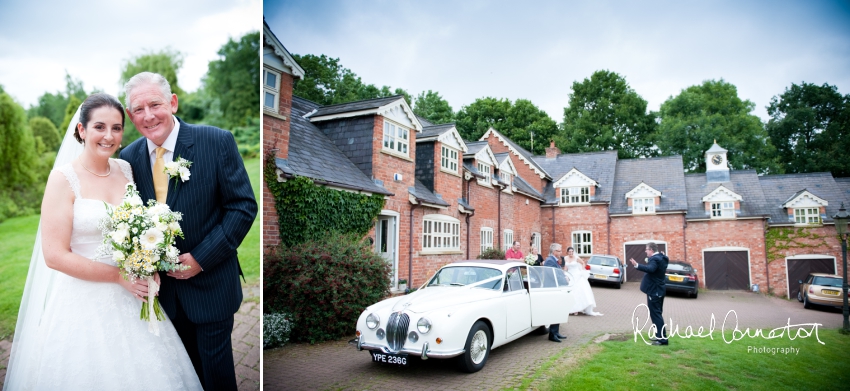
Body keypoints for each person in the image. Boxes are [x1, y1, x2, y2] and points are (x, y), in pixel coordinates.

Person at [4, 94, 202, 389]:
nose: (109, 136)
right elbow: (54, 256)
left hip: (134, 294)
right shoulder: (62, 179)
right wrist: (118, 275)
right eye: (99, 127)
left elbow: (141, 228)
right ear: (82, 130)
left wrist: (149, 263)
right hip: (84, 298)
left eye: (117, 128)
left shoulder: (126, 169)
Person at [119, 72, 257, 390]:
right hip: (163, 295)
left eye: (155, 104)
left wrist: (200, 258)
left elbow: (243, 207)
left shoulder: (216, 141)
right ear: (130, 116)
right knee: (183, 376)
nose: (148, 115)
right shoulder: (128, 158)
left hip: (211, 286)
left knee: (217, 378)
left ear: (173, 102)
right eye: (138, 109)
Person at [629, 242, 669, 346]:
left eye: (646, 249)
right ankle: (659, 335)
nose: (645, 251)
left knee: (656, 314)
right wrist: (662, 255)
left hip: (654, 291)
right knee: (657, 314)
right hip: (659, 290)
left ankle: (662, 340)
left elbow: (651, 269)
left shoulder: (655, 259)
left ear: (651, 250)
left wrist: (637, 265)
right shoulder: (662, 257)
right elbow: (662, 261)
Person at [563, 247, 603, 316]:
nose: (571, 253)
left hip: (577, 275)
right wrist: (564, 273)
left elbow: (583, 263)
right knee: (570, 291)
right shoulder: (565, 258)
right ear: (567, 252)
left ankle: (577, 309)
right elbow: (566, 267)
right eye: (569, 252)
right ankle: (571, 308)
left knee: (577, 291)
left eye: (572, 251)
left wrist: (582, 270)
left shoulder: (576, 258)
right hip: (570, 275)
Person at [543, 243, 568, 342]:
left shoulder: (555, 260)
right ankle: (552, 334)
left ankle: (556, 332)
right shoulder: (550, 261)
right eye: (559, 251)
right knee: (555, 310)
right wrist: (564, 280)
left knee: (558, 310)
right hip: (552, 289)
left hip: (557, 288)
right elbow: (553, 276)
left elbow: (559, 273)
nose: (561, 253)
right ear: (554, 252)